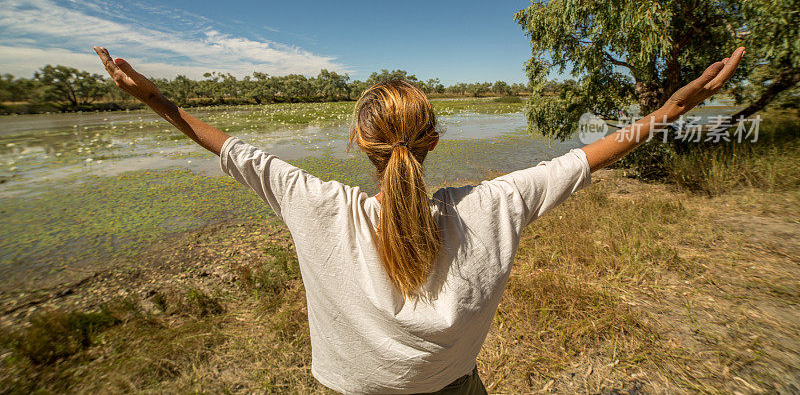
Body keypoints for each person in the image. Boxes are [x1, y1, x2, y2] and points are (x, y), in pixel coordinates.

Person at [93, 45, 745, 394]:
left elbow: (230, 148)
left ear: (359, 144)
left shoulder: (315, 205)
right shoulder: (495, 205)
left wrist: (157, 100)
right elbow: (590, 156)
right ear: (432, 140)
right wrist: (674, 106)